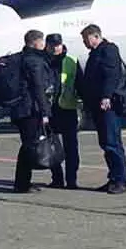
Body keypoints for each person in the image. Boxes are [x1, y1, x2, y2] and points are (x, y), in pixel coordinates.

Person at [0, 30, 53, 193]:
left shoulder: (18, 58)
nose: (44, 44)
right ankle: (22, 184)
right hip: (29, 109)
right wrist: (45, 111)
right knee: (29, 146)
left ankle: (23, 182)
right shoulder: (34, 60)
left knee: (27, 145)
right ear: (36, 42)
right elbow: (38, 87)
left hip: (17, 108)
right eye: (42, 41)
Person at [78, 24, 126, 194]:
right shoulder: (96, 52)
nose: (85, 43)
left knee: (112, 142)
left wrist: (106, 96)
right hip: (98, 104)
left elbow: (111, 74)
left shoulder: (108, 50)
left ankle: (120, 179)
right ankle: (114, 178)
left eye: (86, 39)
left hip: (108, 105)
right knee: (106, 142)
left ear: (95, 36)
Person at [45, 33, 81, 190]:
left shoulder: (71, 61)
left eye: (57, 45)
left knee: (71, 147)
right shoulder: (42, 61)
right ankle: (57, 178)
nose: (55, 48)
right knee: (52, 147)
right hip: (49, 110)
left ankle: (72, 180)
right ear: (47, 46)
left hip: (67, 108)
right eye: (52, 45)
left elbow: (80, 83)